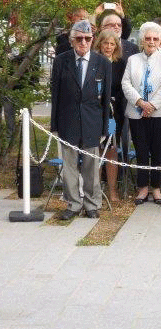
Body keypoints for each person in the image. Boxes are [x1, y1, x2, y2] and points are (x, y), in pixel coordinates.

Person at [50, 20, 111, 219]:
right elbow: (55, 95)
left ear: (92, 40)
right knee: (69, 166)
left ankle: (92, 205)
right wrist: (54, 125)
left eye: (87, 38)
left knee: (91, 168)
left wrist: (104, 127)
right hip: (67, 121)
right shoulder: (61, 61)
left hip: (92, 122)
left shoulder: (103, 63)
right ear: (71, 40)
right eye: (79, 38)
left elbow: (106, 97)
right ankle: (73, 204)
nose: (83, 42)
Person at [122, 22, 161, 205]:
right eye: (148, 38)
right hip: (137, 113)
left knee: (158, 152)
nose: (151, 41)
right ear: (142, 40)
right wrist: (140, 103)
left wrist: (151, 105)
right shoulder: (132, 59)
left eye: (155, 38)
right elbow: (126, 83)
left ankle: (157, 188)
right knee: (142, 151)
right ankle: (142, 188)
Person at [93, 29, 125, 202]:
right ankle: (96, 190)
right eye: (106, 43)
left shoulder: (120, 63)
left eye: (112, 44)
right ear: (100, 44)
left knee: (111, 149)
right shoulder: (93, 61)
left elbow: (122, 89)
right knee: (96, 150)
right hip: (95, 113)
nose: (109, 47)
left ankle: (113, 190)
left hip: (113, 115)